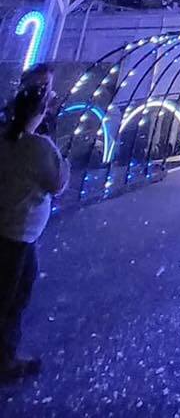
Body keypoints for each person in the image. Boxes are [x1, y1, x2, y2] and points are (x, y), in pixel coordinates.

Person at [0, 84, 69, 382]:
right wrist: (64, 162)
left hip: (8, 229)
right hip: (20, 234)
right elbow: (57, 183)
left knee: (9, 295)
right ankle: (5, 360)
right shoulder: (39, 146)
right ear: (40, 112)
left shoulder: (6, 141)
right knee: (12, 298)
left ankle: (6, 356)